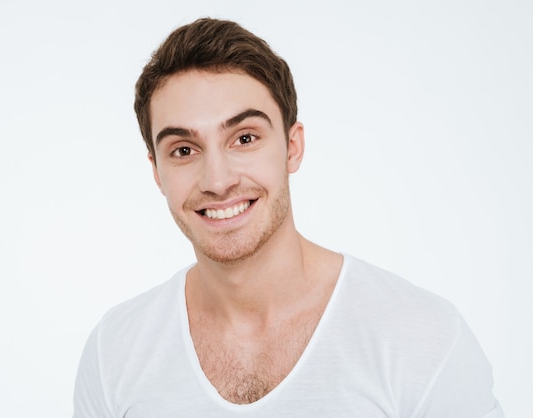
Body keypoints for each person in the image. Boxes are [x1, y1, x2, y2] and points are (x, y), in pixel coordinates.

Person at [73, 18, 502, 417]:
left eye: (244, 138)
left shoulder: (421, 339)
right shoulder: (115, 352)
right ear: (156, 172)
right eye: (183, 150)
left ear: (292, 147)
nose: (217, 181)